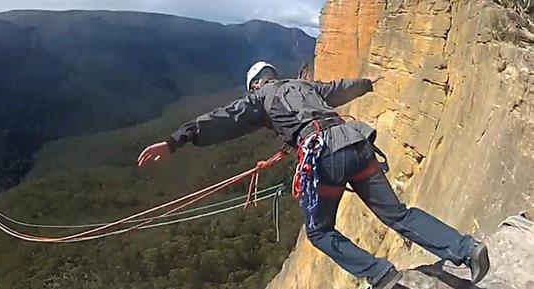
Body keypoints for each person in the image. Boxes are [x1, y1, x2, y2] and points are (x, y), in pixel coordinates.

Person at [137, 61, 490, 289]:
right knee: (397, 214)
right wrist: (367, 83)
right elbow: (338, 89)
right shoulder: (305, 87)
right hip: (355, 143)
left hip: (323, 156)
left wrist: (174, 141)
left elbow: (223, 118)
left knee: (319, 231)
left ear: (256, 85)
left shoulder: (262, 98)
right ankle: (468, 250)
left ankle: (381, 275)